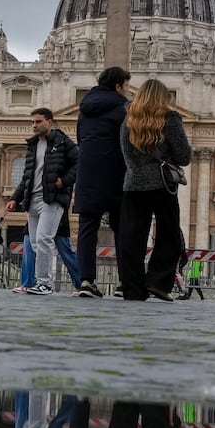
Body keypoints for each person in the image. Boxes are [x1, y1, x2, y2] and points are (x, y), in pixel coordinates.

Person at [117, 80, 192, 302]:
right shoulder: (169, 119)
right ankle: (158, 282)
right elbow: (184, 156)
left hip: (133, 184)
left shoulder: (128, 120)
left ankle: (132, 288)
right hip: (162, 185)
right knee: (169, 236)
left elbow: (126, 155)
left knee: (132, 238)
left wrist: (139, 170)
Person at [5, 108, 79, 296]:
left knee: (44, 239)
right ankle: (36, 282)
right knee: (36, 243)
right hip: (33, 200)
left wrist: (64, 181)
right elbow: (27, 177)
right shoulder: (32, 146)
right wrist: (15, 198)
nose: (34, 126)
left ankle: (45, 283)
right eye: (32, 122)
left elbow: (80, 162)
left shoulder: (62, 142)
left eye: (38, 122)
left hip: (52, 198)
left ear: (50, 122)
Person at [72, 67, 131, 298]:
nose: (127, 90)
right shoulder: (123, 108)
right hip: (116, 171)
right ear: (118, 86)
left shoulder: (84, 108)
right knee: (123, 228)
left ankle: (86, 281)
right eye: (126, 86)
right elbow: (129, 140)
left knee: (87, 229)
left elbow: (79, 138)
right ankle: (124, 282)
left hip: (88, 171)